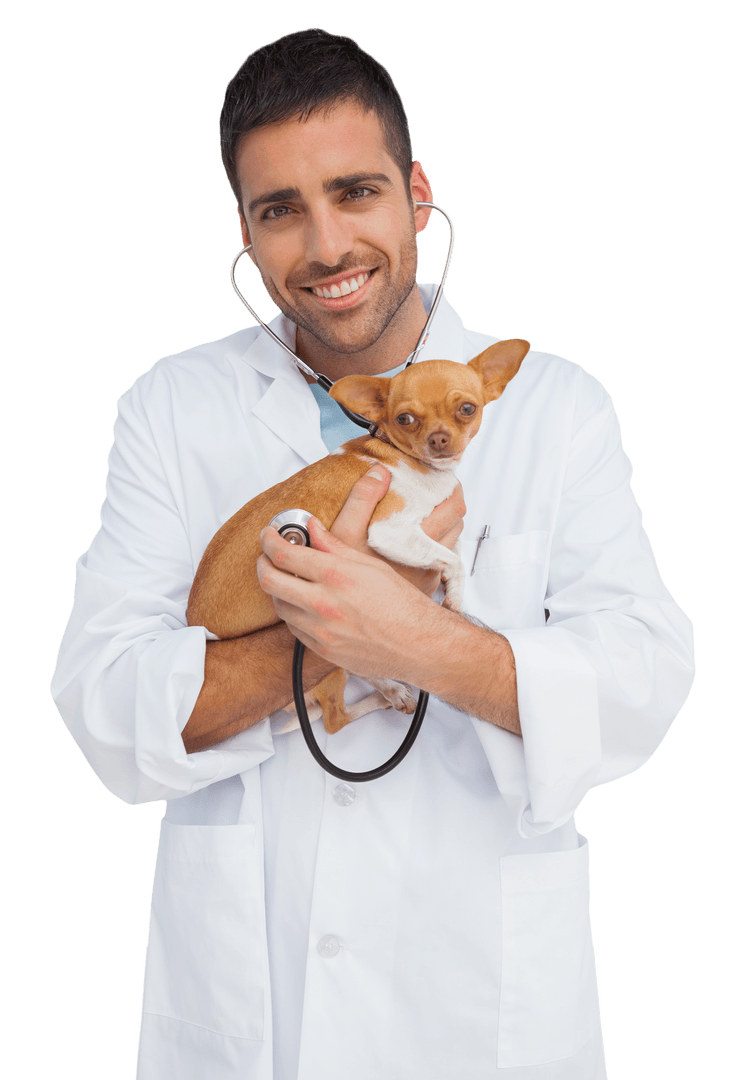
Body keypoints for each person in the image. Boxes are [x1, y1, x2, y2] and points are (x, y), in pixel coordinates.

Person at [51, 27, 695, 1080]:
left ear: (418, 195)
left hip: (476, 998)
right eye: (279, 211)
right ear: (245, 233)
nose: (326, 246)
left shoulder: (557, 406)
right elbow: (106, 707)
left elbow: (642, 681)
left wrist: (418, 640)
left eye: (355, 192)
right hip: (254, 1000)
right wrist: (330, 637)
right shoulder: (171, 406)